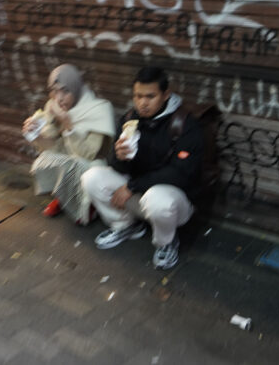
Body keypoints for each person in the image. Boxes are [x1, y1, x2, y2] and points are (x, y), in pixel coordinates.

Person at [80, 66, 203, 269]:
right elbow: (116, 167)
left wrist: (132, 187)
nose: (142, 103)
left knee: (157, 200)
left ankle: (166, 241)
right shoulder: (130, 119)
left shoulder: (185, 124)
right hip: (139, 192)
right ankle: (126, 225)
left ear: (165, 95)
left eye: (150, 96)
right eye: (138, 96)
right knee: (91, 177)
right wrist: (119, 157)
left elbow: (181, 174)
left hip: (173, 201)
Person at [23, 64, 116, 225]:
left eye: (65, 91)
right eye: (54, 91)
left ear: (76, 88)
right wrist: (36, 134)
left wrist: (68, 125)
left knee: (75, 165)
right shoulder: (54, 105)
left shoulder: (99, 109)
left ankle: (89, 205)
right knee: (44, 159)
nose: (59, 98)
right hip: (68, 157)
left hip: (91, 164)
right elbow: (51, 145)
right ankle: (64, 198)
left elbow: (89, 153)